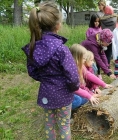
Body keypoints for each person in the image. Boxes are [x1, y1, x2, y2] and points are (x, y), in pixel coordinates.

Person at [21, 2, 80, 139]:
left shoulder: (33, 47)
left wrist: (45, 79)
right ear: (58, 25)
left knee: (49, 124)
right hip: (64, 95)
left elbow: (32, 71)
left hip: (46, 93)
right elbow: (72, 75)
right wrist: (74, 88)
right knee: (64, 125)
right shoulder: (61, 49)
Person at [69, 44, 100, 110]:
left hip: (80, 90)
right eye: (84, 59)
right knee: (78, 100)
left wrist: (98, 86)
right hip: (71, 93)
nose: (84, 60)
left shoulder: (84, 67)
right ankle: (67, 110)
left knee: (85, 98)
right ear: (77, 58)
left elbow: (92, 78)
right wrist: (90, 95)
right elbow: (78, 88)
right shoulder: (72, 70)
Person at [97, 0, 117, 68]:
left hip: (103, 36)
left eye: (102, 5)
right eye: (99, 5)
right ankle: (106, 65)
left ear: (104, 6)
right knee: (107, 52)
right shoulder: (114, 18)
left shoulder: (100, 17)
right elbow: (116, 26)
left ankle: (104, 65)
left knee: (103, 52)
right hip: (110, 36)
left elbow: (98, 26)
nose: (100, 6)